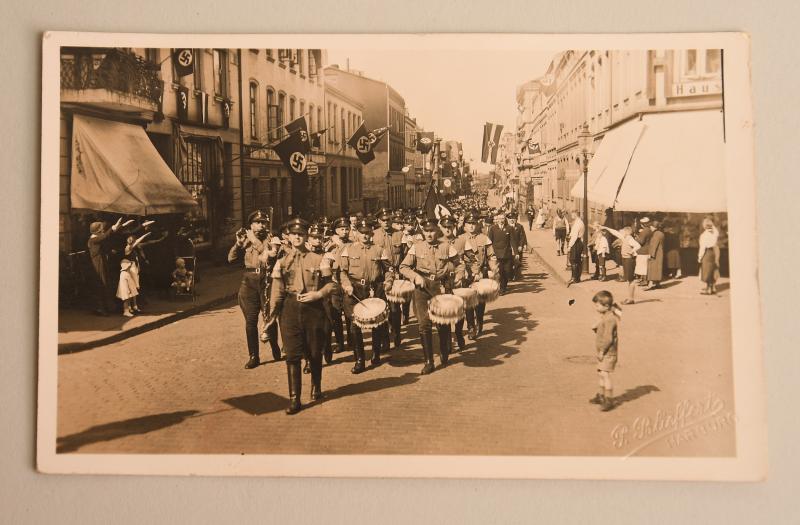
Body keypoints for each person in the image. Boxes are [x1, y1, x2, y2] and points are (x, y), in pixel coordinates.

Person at [268, 217, 336, 414]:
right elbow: (277, 290)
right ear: (288, 237)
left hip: (313, 310)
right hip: (290, 309)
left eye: (301, 234)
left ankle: (316, 386)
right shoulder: (281, 262)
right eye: (293, 234)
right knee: (292, 354)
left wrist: (318, 294)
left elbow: (331, 284)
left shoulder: (319, 259)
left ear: (306, 237)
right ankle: (294, 399)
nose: (297, 237)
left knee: (315, 352)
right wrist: (272, 316)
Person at [400, 218, 463, 375]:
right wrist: (415, 277)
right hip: (422, 288)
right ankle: (428, 361)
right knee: (424, 324)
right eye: (426, 231)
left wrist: (459, 275)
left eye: (432, 230)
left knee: (441, 322)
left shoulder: (447, 247)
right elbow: (403, 267)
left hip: (440, 287)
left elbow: (460, 264)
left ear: (437, 231)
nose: (429, 234)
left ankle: (444, 349)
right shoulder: (416, 247)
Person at [228, 210, 281, 370]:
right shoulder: (247, 240)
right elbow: (230, 259)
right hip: (249, 281)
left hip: (266, 281)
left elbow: (269, 255)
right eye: (257, 223)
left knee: (269, 316)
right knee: (250, 321)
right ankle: (254, 356)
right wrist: (238, 243)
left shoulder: (271, 238)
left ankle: (274, 345)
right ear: (251, 225)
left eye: (263, 222)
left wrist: (254, 241)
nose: (261, 225)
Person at [339, 219, 394, 373]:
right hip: (354, 288)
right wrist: (346, 285)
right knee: (354, 325)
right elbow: (342, 272)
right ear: (357, 233)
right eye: (361, 233)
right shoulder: (348, 249)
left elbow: (389, 269)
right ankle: (359, 360)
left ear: (372, 234)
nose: (365, 236)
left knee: (376, 322)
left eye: (367, 233)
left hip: (374, 288)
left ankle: (376, 353)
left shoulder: (379, 249)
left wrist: (388, 282)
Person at [455, 209, 499, 339]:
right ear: (464, 225)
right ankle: (471, 327)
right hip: (467, 275)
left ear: (477, 224)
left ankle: (479, 320)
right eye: (469, 223)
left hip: (481, 273)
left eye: (473, 223)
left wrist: (494, 269)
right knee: (468, 302)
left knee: (480, 302)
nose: (471, 226)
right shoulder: (460, 239)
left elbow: (491, 255)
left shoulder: (484, 238)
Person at [588, 290, 622, 412]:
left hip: (608, 352)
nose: (596, 307)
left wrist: (602, 351)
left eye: (597, 305)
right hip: (604, 351)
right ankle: (601, 396)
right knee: (601, 373)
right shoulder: (606, 316)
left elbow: (608, 338)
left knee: (605, 375)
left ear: (606, 306)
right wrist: (596, 327)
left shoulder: (610, 319)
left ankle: (609, 399)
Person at [87, 218, 125, 315]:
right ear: (97, 230)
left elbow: (106, 237)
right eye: (101, 228)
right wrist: (113, 227)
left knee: (105, 284)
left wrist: (118, 227)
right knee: (102, 285)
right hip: (98, 265)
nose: (102, 229)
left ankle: (104, 308)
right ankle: (101, 309)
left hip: (101, 263)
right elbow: (105, 236)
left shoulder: (96, 238)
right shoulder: (93, 239)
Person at [602, 225, 641, 305]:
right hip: (625, 259)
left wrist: (632, 251)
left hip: (629, 260)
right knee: (629, 280)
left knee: (631, 280)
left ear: (627, 232)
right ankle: (630, 298)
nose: (620, 233)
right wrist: (606, 228)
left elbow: (638, 245)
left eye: (622, 231)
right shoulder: (625, 238)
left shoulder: (630, 239)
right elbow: (615, 233)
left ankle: (631, 299)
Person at [487, 210, 515, 294]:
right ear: (497, 219)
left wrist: (516, 253)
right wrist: (490, 253)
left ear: (504, 219)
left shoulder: (509, 228)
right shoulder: (493, 228)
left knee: (507, 271)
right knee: (500, 271)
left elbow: (513, 241)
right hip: (497, 254)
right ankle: (502, 288)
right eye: (499, 218)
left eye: (503, 218)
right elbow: (489, 242)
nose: (501, 220)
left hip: (507, 253)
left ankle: (504, 284)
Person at [698, 217, 721, 295]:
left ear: (704, 226)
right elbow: (716, 231)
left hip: (707, 253)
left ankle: (708, 289)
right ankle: (713, 288)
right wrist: (711, 225)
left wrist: (699, 257)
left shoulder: (704, 235)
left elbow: (702, 248)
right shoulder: (715, 233)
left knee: (707, 270)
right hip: (714, 252)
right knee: (713, 269)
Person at [566, 210, 585, 287]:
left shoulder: (578, 223)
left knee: (573, 260)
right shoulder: (579, 222)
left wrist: (569, 246)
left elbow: (574, 236)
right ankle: (577, 278)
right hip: (578, 242)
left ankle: (574, 278)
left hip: (576, 243)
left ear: (575, 214)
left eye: (572, 214)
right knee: (577, 260)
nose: (571, 216)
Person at [645, 220, 665, 290]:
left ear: (654, 227)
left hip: (655, 254)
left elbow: (654, 245)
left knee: (652, 268)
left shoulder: (656, 234)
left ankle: (650, 284)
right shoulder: (661, 233)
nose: (650, 228)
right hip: (660, 253)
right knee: (658, 269)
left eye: (651, 226)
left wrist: (651, 254)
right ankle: (658, 283)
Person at [507, 211, 527, 280]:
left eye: (513, 218)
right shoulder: (506, 227)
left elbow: (522, 236)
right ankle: (510, 275)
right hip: (509, 247)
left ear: (516, 219)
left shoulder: (519, 227)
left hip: (518, 247)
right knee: (509, 262)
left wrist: (522, 245)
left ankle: (517, 275)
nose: (512, 220)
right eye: (510, 219)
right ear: (508, 220)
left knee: (517, 261)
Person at [634, 217, 652, 285]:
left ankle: (644, 280)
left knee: (643, 266)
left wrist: (636, 238)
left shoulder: (645, 231)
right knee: (644, 266)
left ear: (642, 224)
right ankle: (643, 279)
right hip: (647, 250)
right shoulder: (649, 230)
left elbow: (641, 241)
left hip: (643, 251)